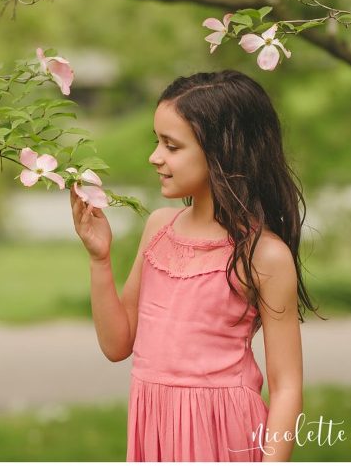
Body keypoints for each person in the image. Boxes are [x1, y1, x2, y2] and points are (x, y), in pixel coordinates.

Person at [71, 70, 312, 462]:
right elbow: (117, 345)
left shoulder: (264, 255)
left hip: (225, 435)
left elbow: (287, 388)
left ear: (221, 152)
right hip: (155, 434)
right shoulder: (158, 229)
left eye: (172, 145)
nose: (155, 156)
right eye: (157, 142)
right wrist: (99, 258)